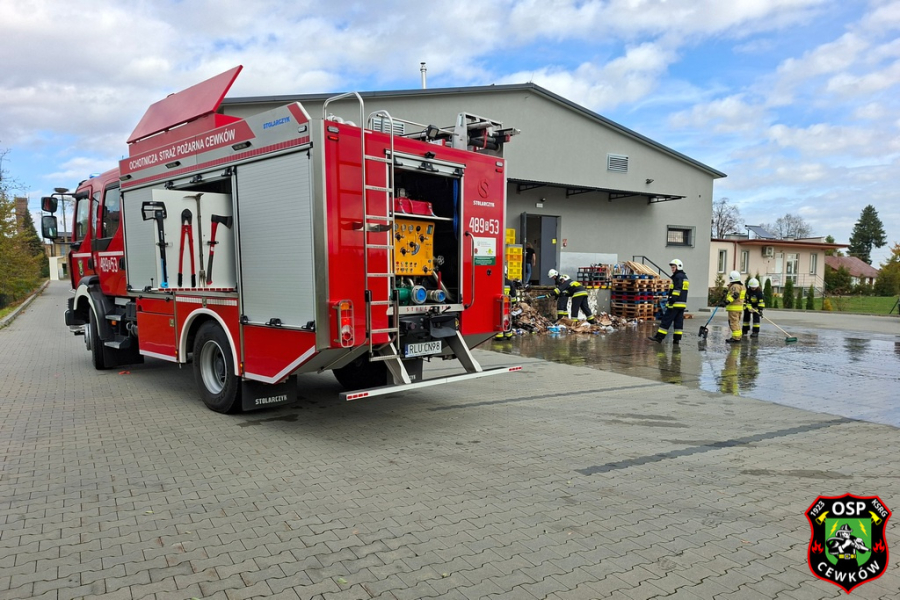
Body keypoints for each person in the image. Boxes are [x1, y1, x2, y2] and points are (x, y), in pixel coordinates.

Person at [648, 259, 688, 344]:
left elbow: (677, 290)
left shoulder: (678, 277)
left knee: (666, 320)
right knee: (678, 322)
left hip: (675, 304)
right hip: (682, 304)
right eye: (672, 268)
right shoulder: (684, 277)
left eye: (673, 267)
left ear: (678, 267)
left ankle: (659, 337)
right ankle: (676, 339)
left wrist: (671, 300)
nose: (672, 269)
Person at [722, 270, 745, 344]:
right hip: (739, 308)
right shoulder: (741, 286)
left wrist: (727, 301)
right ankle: (738, 336)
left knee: (733, 323)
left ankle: (736, 338)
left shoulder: (735, 286)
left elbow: (735, 295)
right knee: (736, 322)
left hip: (733, 308)